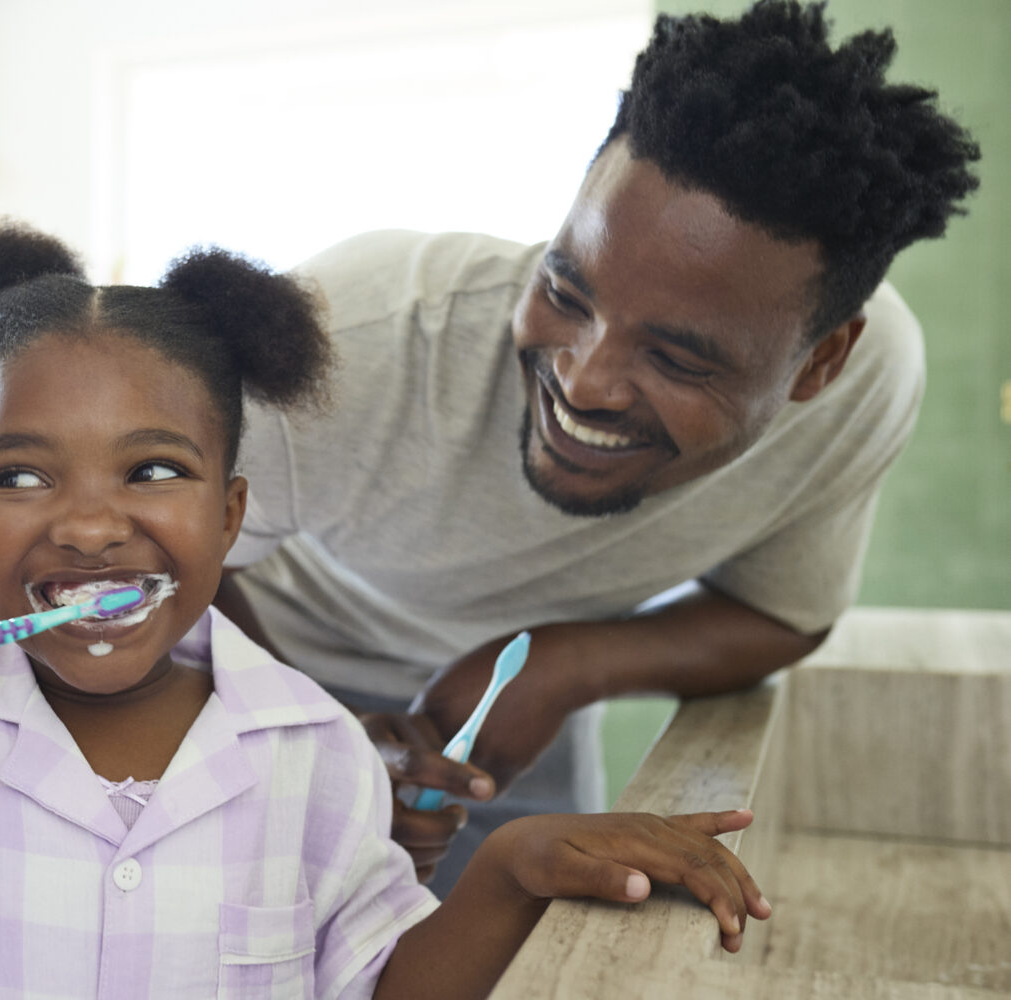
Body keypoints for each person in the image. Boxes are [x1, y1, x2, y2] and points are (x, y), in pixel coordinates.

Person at [0, 221, 769, 1000]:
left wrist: (512, 864)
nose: (88, 524)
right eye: (20, 478)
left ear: (230, 514)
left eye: (153, 470)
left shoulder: (314, 749)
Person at [213, 0, 982, 888]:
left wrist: (563, 664)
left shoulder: (870, 382)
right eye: (567, 291)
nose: (583, 381)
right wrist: (315, 731)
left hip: (513, 713)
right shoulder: (350, 335)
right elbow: (158, 576)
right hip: (247, 669)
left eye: (676, 356)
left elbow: (783, 614)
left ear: (820, 364)